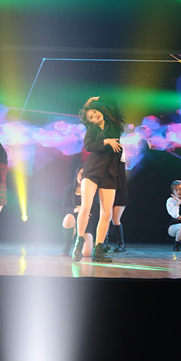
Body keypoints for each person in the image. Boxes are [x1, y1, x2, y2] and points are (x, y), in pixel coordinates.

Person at [73, 96, 126, 263]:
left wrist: (95, 100)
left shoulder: (114, 124)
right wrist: (106, 141)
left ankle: (99, 249)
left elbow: (115, 106)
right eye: (90, 116)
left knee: (107, 212)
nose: (94, 115)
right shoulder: (92, 130)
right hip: (92, 170)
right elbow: (89, 146)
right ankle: (78, 243)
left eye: (95, 112)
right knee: (86, 207)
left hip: (110, 172)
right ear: (89, 121)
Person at [61, 166, 95, 257]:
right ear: (76, 174)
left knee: (87, 253)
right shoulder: (69, 190)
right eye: (80, 173)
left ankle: (82, 242)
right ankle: (67, 247)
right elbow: (64, 208)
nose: (81, 176)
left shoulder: (91, 191)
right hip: (73, 219)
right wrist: (75, 210)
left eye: (84, 174)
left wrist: (85, 211)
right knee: (68, 217)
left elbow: (95, 210)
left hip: (86, 222)